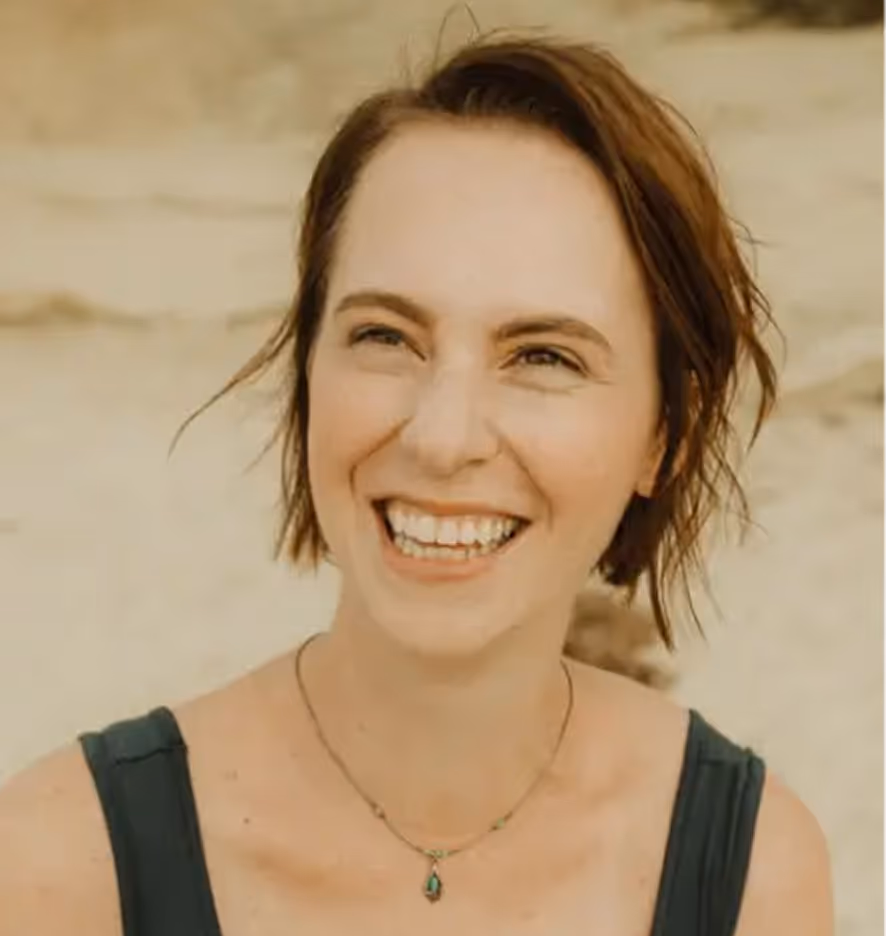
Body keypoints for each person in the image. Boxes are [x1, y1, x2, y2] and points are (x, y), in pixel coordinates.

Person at [0, 28, 833, 936]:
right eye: (386, 337)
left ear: (662, 437)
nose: (443, 437)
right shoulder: (60, 866)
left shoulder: (748, 871)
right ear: (309, 369)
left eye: (543, 355)